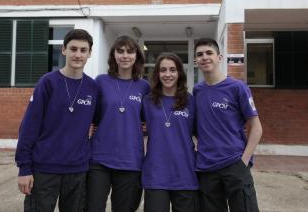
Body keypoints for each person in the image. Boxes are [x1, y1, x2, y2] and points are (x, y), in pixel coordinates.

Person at [15, 29, 98, 212]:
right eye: (73, 49)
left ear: (89, 53)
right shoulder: (48, 82)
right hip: (44, 169)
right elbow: (29, 127)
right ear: (63, 50)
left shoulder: (92, 88)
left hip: (77, 170)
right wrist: (24, 168)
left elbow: (100, 123)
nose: (78, 54)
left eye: (83, 50)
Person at [193, 38, 263, 212]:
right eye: (200, 54)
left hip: (234, 164)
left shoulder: (237, 87)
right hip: (207, 168)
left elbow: (256, 127)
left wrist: (244, 161)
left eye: (209, 53)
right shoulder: (197, 91)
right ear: (195, 61)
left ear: (219, 57)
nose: (204, 57)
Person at [87, 35, 150, 212]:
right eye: (120, 51)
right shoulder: (100, 82)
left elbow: (149, 119)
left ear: (137, 56)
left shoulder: (144, 87)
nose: (125, 55)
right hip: (99, 158)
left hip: (130, 160)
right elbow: (93, 115)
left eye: (130, 51)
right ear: (113, 55)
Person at [141, 53, 199, 212]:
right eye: (163, 70)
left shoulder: (190, 101)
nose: (167, 74)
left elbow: (202, 133)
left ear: (179, 73)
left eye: (172, 70)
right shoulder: (147, 101)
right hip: (156, 174)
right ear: (157, 74)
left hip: (185, 174)